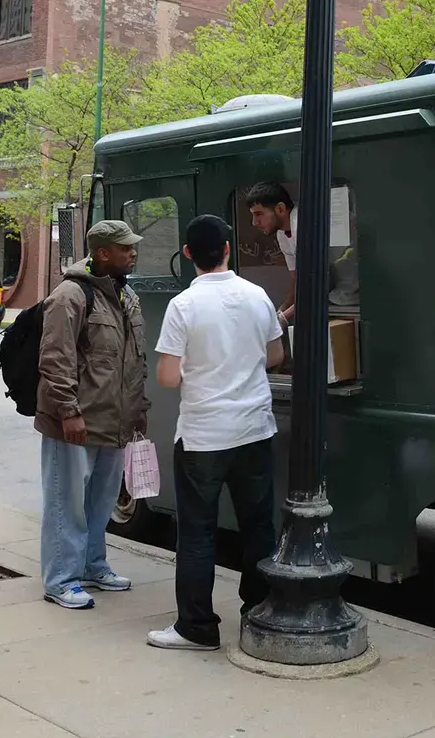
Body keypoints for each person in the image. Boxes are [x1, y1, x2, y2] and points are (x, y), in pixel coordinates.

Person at [147, 215, 284, 650]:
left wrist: (197, 366)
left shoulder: (183, 306)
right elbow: (276, 355)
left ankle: (197, 627)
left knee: (197, 533)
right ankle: (259, 614)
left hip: (203, 437)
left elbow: (168, 377)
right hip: (255, 430)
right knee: (259, 526)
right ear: (228, 248)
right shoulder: (257, 296)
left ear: (187, 254)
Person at [37, 221, 148, 610]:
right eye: (126, 248)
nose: (133, 253)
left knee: (100, 502)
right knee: (65, 502)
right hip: (75, 421)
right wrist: (69, 411)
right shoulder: (70, 295)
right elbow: (56, 358)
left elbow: (134, 360)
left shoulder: (126, 294)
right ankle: (61, 579)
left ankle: (91, 566)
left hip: (113, 421)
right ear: (103, 253)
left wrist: (138, 410)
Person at [247, 183, 297, 327]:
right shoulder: (282, 235)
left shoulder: (300, 224)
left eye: (259, 214)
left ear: (280, 209)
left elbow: (314, 284)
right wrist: (281, 311)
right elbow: (296, 278)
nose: (254, 222)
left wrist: (283, 318)